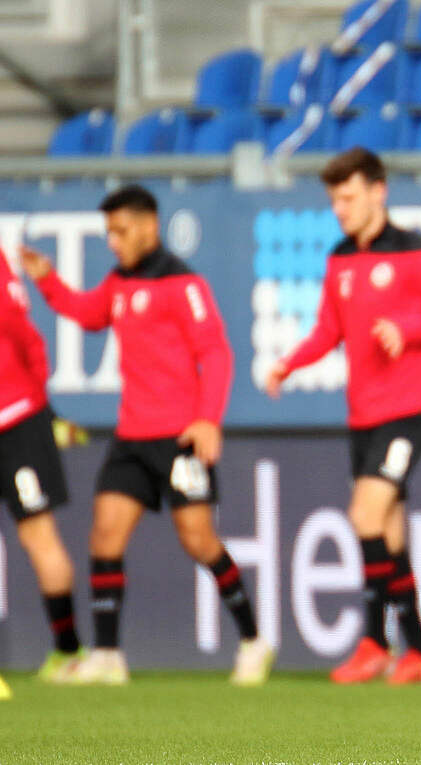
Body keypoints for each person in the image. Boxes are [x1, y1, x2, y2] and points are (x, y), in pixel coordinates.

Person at [21, 185, 271, 686]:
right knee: (105, 534)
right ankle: (108, 655)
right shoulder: (118, 283)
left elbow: (216, 352)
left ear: (149, 227)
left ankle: (253, 640)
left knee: (198, 539)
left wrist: (207, 420)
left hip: (179, 439)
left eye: (121, 231)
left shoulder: (183, 284)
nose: (113, 242)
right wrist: (48, 281)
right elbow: (90, 314)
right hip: (132, 438)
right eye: (109, 232)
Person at [266, 147, 421, 685]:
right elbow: (328, 330)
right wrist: (289, 363)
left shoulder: (415, 251)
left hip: (410, 410)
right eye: (334, 201)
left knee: (364, 515)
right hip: (363, 414)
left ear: (378, 192)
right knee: (388, 532)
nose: (339, 209)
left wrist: (408, 327)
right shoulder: (339, 257)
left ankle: (373, 641)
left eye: (348, 198)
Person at [1, 249, 85, 682]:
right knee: (40, 536)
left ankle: (68, 651)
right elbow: (29, 338)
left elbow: (21, 333)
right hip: (25, 414)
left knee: (39, 535)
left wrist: (38, 405)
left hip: (17, 420)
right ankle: (69, 652)